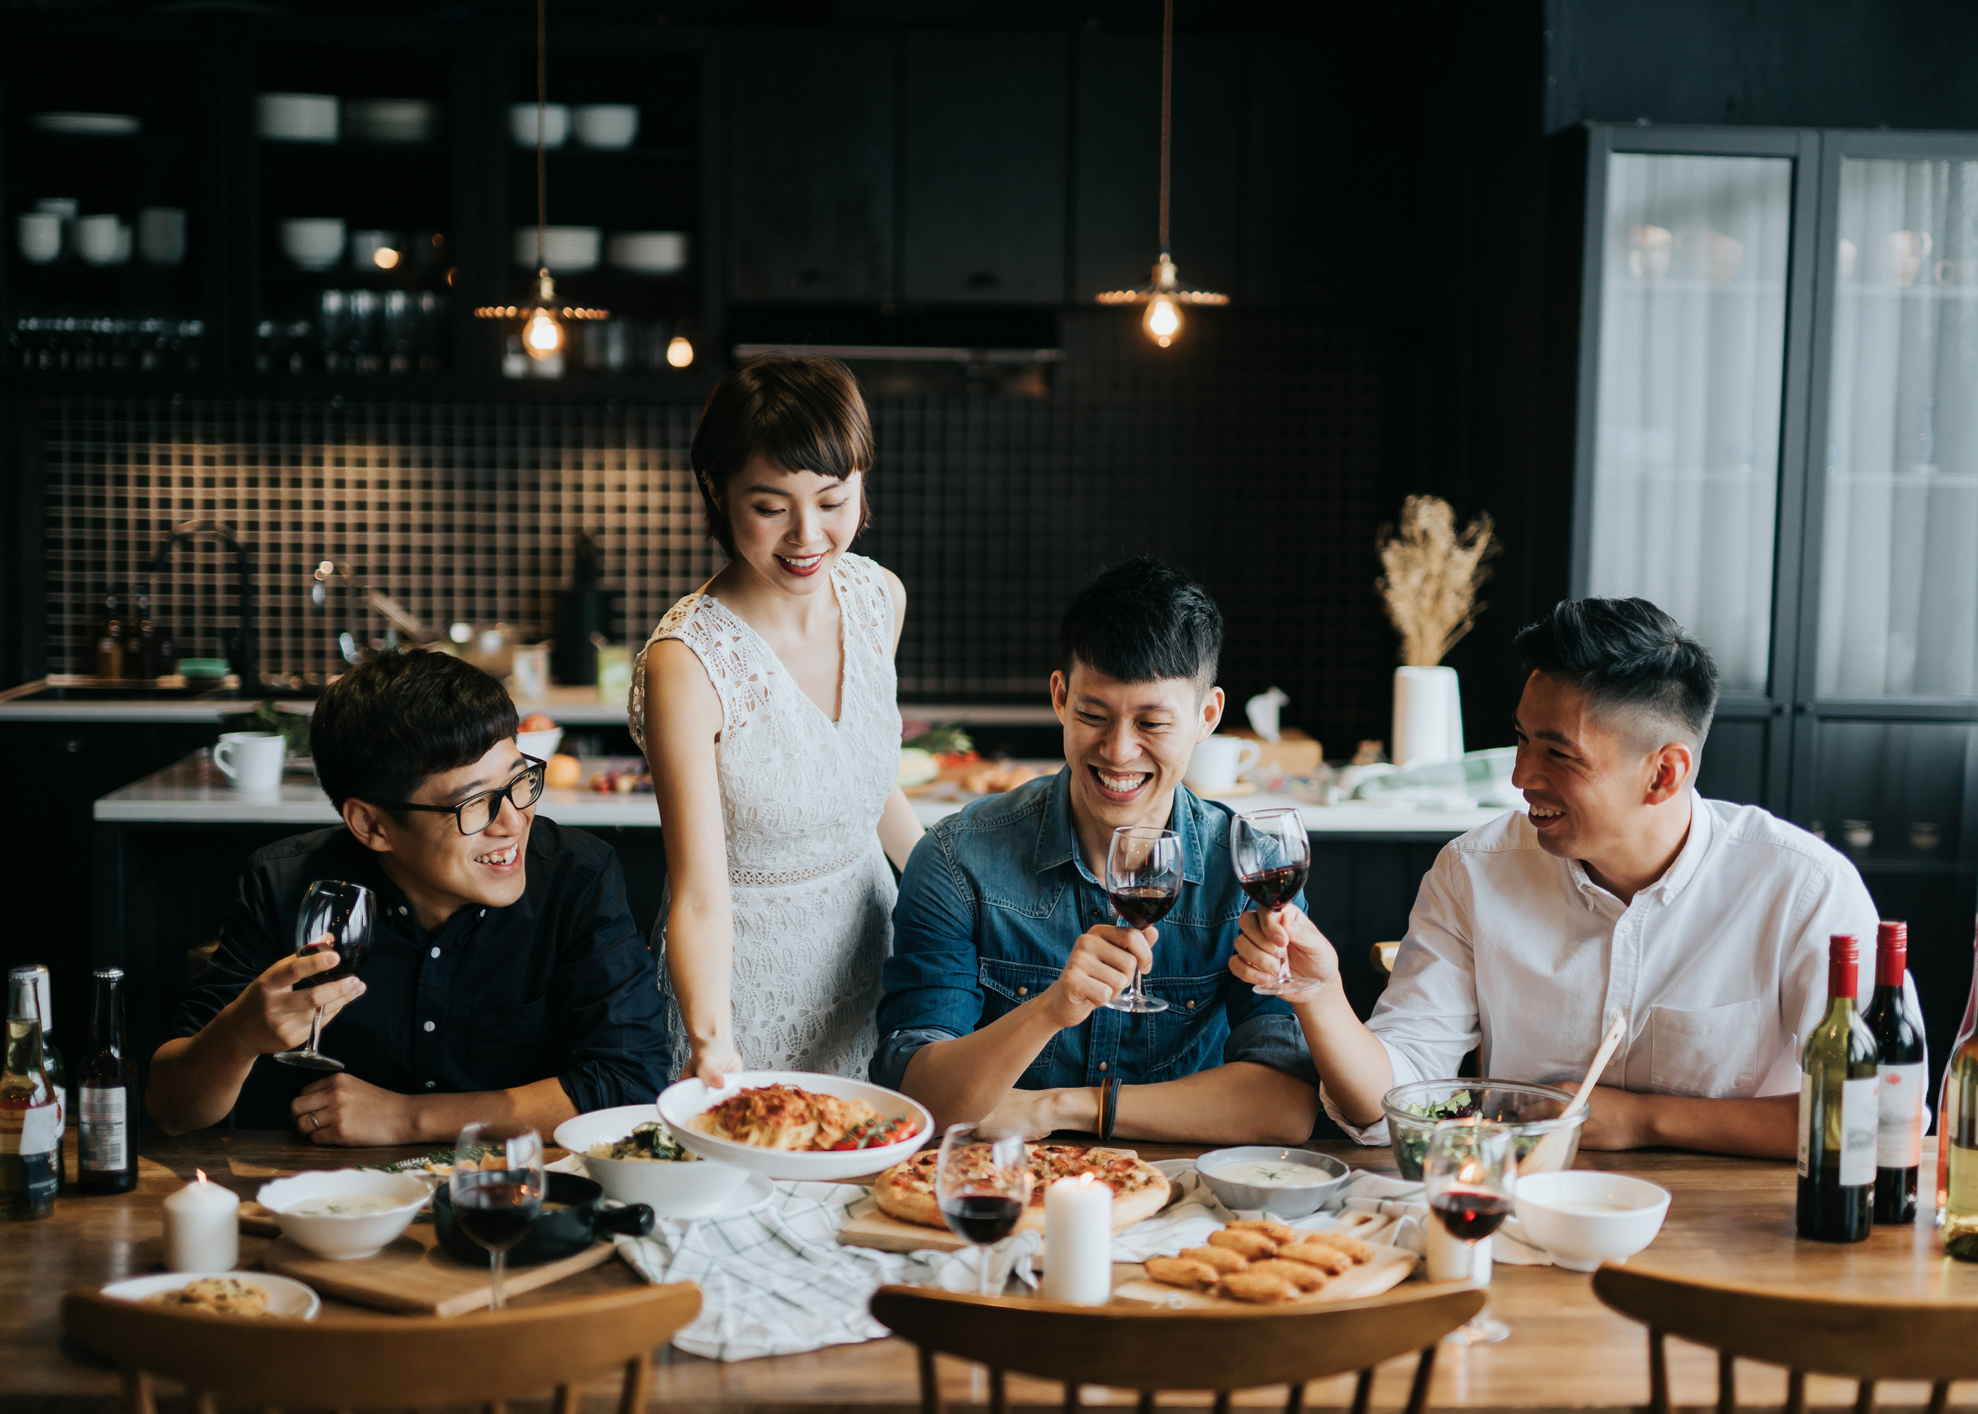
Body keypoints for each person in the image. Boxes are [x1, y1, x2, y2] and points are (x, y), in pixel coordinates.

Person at [1231, 597, 1880, 1159]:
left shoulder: (1803, 891)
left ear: (1663, 774)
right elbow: (1389, 1104)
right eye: (1520, 740)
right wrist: (1319, 995)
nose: (1519, 778)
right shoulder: (1474, 872)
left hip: (1740, 1233)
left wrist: (1638, 1120)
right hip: (1525, 1213)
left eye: (1557, 755)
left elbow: (1870, 1117)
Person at [875, 558, 1319, 1146]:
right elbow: (916, 1098)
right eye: (1093, 716)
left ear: (1206, 716)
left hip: (1184, 1193)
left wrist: (1060, 1108)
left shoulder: (1249, 867)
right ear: (1060, 698)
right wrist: (1050, 1010)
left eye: (1153, 723)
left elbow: (1286, 1106)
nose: (1118, 751)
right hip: (1006, 1188)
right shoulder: (958, 861)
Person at [146, 651, 669, 1143]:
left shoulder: (576, 877)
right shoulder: (288, 885)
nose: (513, 822)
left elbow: (629, 1085)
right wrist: (238, 1035)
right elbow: (170, 1110)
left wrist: (407, 1117)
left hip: (511, 1191)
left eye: (518, 782)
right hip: (325, 1202)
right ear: (371, 824)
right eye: (474, 803)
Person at [633, 353, 922, 1084]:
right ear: (715, 490)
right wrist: (711, 1043)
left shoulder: (876, 597)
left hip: (873, 970)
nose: (807, 536)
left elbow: (866, 792)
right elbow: (696, 890)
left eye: (831, 501)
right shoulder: (687, 662)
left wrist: (963, 908)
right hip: (744, 1001)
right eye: (770, 507)